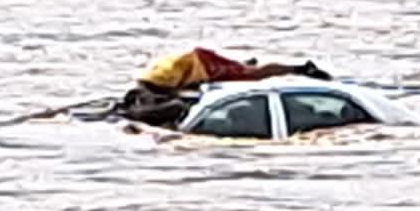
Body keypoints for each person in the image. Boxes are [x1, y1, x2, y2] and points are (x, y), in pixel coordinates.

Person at [113, 47, 332, 126]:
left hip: (199, 64)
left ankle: (300, 69)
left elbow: (176, 102)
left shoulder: (149, 94)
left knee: (253, 75)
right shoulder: (150, 91)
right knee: (246, 73)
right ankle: (242, 65)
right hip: (189, 64)